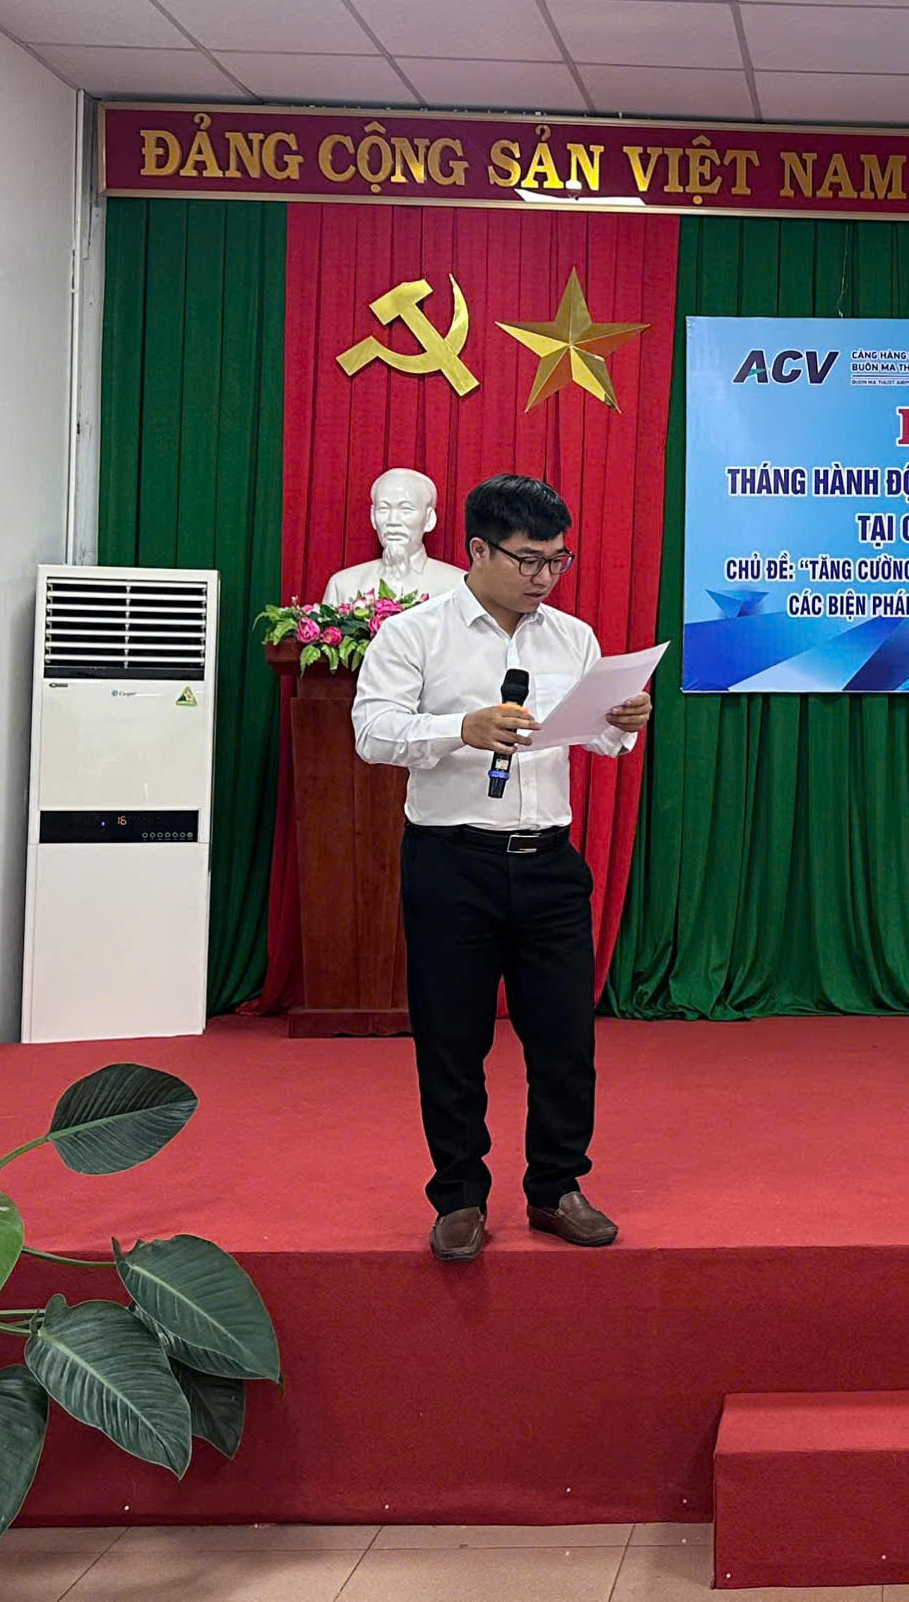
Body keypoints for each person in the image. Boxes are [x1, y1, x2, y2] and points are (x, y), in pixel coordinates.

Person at [350, 473, 652, 1261]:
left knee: (564, 1040)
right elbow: (372, 732)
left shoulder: (572, 636)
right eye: (527, 559)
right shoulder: (414, 634)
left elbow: (598, 738)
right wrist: (462, 727)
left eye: (557, 558)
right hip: (452, 863)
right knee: (452, 1040)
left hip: (549, 863)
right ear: (478, 550)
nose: (544, 575)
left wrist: (623, 719)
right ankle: (459, 1196)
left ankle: (557, 1187)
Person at [322, 468, 470, 607]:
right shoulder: (343, 586)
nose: (393, 521)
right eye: (384, 509)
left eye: (406, 509)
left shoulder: (457, 586)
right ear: (373, 517)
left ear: (429, 519)